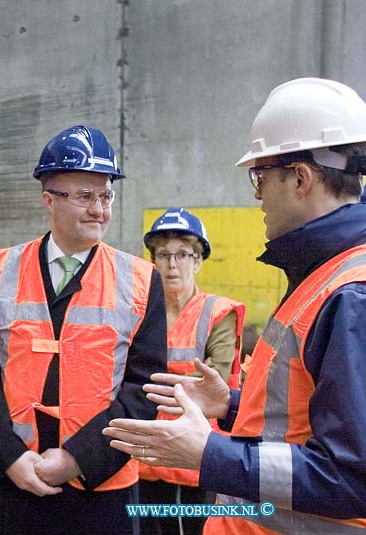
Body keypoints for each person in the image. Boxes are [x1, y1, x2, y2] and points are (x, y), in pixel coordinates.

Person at [103, 78, 366, 533]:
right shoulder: (323, 277)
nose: (258, 194)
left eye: (260, 177)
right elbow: (303, 419)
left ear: (300, 178)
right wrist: (232, 404)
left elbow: (352, 476)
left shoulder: (350, 296)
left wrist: (212, 454)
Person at [0, 125, 168, 534]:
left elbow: (143, 389)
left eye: (106, 195)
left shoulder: (142, 280)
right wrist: (10, 458)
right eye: (84, 196)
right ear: (48, 201)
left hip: (102, 486)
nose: (99, 209)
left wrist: (77, 458)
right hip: (16, 482)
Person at [139, 208, 245, 535]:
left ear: (198, 261)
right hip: (144, 453)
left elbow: (217, 378)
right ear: (153, 261)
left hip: (194, 454)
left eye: (183, 255)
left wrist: (147, 380)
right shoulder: (138, 311)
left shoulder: (217, 312)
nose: (173, 265)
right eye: (163, 255)